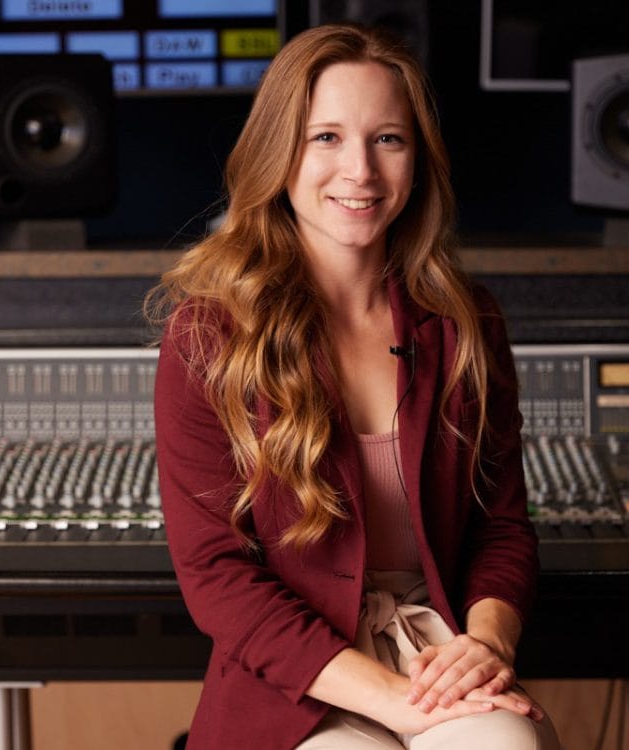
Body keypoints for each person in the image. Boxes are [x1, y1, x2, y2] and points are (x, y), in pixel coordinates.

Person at [150, 23, 560, 750]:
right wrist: (392, 704)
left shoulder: (468, 322)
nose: (361, 173)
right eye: (326, 138)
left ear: (419, 160)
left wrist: (488, 644)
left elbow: (501, 527)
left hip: (439, 646)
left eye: (388, 140)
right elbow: (216, 576)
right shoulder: (207, 334)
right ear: (280, 152)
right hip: (300, 671)